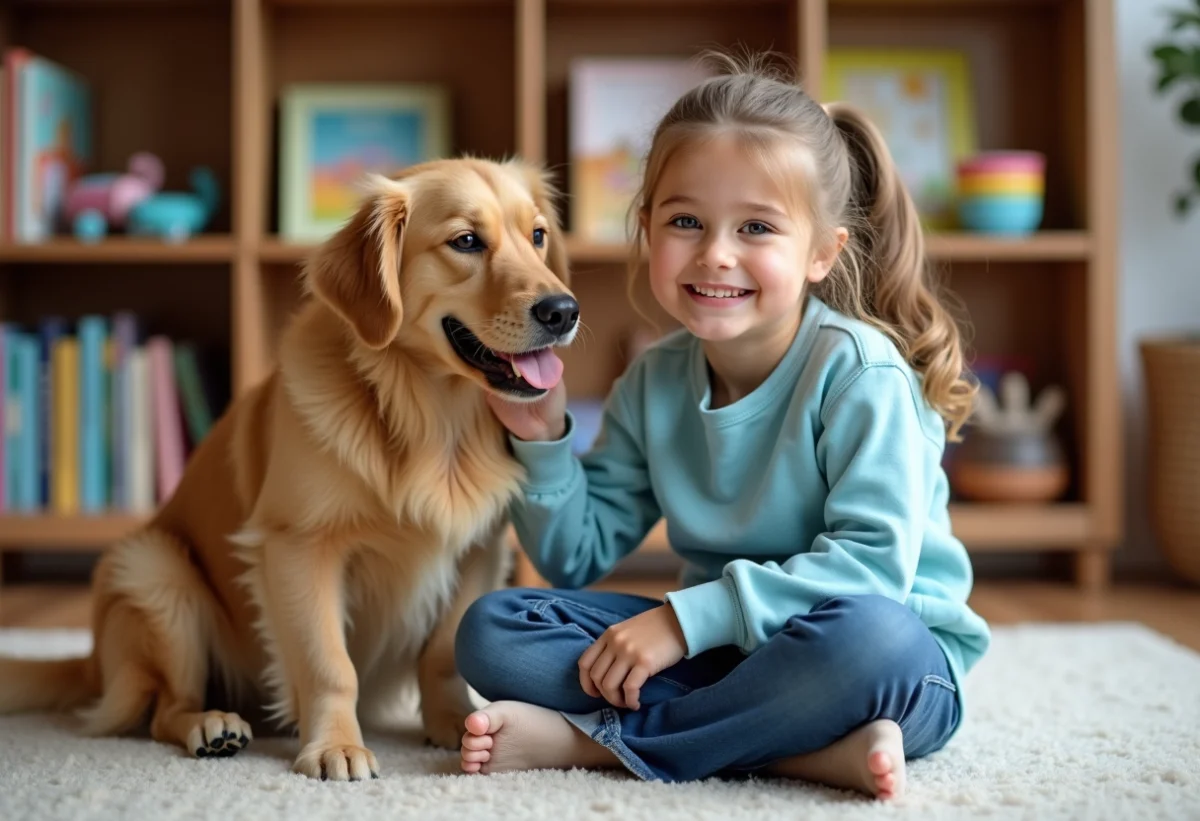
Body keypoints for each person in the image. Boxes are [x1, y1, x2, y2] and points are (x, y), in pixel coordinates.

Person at [453, 51, 991, 802]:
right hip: (726, 653)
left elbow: (873, 571)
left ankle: (604, 746)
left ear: (820, 253)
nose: (715, 253)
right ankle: (799, 749)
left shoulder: (861, 374)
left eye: (757, 227)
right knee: (494, 631)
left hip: (888, 661)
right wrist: (544, 436)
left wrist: (681, 620)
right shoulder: (652, 378)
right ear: (645, 227)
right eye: (685, 221)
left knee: (874, 637)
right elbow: (575, 554)